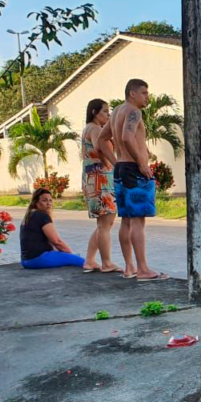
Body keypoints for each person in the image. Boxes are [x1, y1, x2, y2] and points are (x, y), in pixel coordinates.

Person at [105, 78, 168, 281]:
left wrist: (116, 162)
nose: (147, 97)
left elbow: (101, 140)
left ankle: (129, 267)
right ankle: (142, 269)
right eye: (144, 93)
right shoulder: (133, 111)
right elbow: (126, 136)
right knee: (138, 222)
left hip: (122, 168)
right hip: (133, 169)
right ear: (132, 93)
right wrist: (141, 162)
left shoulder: (116, 112)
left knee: (126, 221)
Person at [80, 98, 122, 273]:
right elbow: (100, 147)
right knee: (106, 223)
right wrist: (116, 164)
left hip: (92, 177)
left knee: (103, 223)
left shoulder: (87, 129)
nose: (108, 115)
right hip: (101, 178)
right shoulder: (96, 129)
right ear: (94, 112)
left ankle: (89, 260)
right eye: (105, 111)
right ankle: (106, 263)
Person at [19, 188, 85, 269]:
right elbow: (57, 242)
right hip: (38, 259)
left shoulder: (29, 215)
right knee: (83, 261)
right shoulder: (42, 216)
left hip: (26, 261)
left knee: (70, 256)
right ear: (35, 202)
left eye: (50, 200)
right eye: (44, 200)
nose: (48, 203)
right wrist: (71, 254)